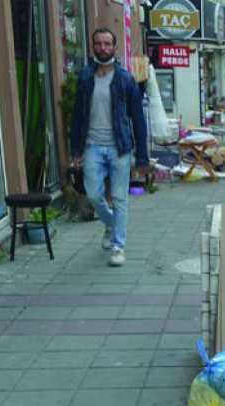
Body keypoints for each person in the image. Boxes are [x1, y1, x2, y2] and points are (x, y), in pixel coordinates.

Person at [70, 27, 149, 267]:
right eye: (98, 44)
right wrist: (75, 150)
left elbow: (137, 118)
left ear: (114, 47)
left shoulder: (125, 79)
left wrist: (143, 158)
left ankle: (118, 246)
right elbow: (77, 116)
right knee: (93, 194)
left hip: (119, 147)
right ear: (93, 47)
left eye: (107, 44)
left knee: (119, 197)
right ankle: (112, 223)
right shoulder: (85, 76)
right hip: (92, 146)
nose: (103, 48)